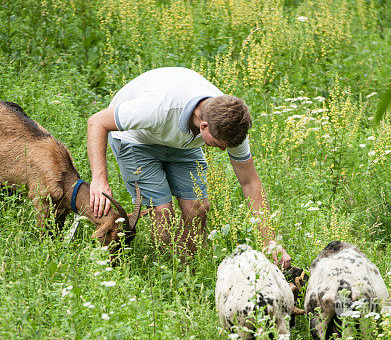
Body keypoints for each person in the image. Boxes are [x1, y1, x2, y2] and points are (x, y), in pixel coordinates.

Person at [87, 66, 291, 268]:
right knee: (162, 213)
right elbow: (97, 122)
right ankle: (167, 274)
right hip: (137, 139)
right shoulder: (156, 108)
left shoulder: (231, 124)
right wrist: (99, 179)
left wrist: (269, 241)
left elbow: (249, 181)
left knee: (199, 210)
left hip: (181, 142)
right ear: (204, 126)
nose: (222, 151)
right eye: (219, 145)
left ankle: (190, 272)